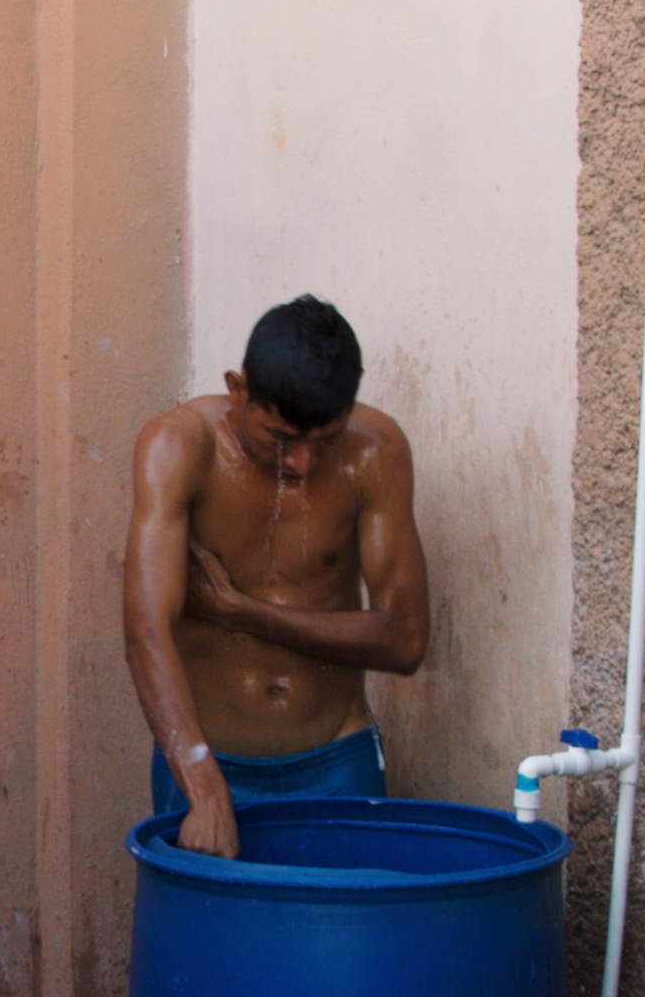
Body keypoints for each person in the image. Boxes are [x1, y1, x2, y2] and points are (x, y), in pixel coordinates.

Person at [124, 295, 429, 859]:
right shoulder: (177, 446)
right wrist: (203, 784)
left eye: (324, 440)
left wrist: (247, 614)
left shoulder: (376, 452)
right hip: (207, 764)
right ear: (238, 390)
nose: (304, 464)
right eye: (283, 439)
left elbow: (406, 640)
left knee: (347, 946)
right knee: (211, 947)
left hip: (338, 759)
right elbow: (146, 631)